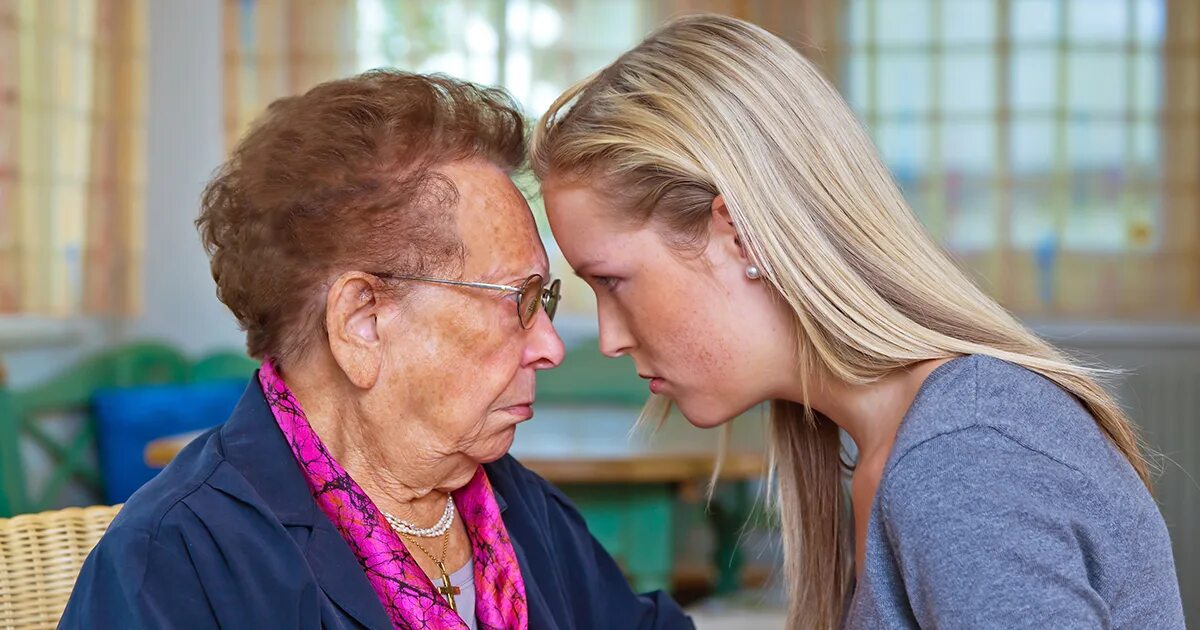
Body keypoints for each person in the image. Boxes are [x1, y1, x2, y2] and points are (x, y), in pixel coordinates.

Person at [531, 14, 1184, 630]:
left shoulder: (964, 456)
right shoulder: (894, 446)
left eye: (612, 281)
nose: (610, 336)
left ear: (738, 236)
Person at [61, 70, 693, 630]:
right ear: (362, 321)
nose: (549, 346)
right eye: (518, 301)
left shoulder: (520, 508)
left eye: (544, 301)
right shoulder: (178, 563)